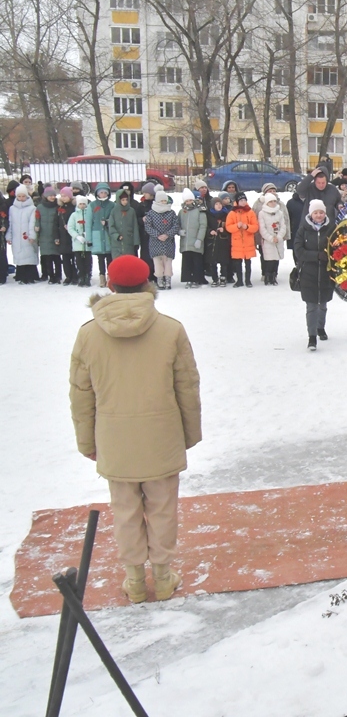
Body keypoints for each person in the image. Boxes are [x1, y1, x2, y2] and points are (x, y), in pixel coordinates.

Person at [69, 254, 201, 602]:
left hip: (114, 437)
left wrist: (87, 442)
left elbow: (82, 395)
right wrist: (188, 435)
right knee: (162, 507)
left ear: (109, 285)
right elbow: (186, 386)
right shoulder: (170, 329)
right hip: (162, 434)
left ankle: (136, 582)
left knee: (125, 510)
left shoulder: (88, 335)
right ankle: (163, 576)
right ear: (148, 285)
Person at [294, 200, 336, 350]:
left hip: (326, 273)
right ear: (311, 214)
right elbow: (298, 251)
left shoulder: (331, 228)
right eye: (316, 212)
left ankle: (320, 328)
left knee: (323, 304)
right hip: (308, 273)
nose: (319, 215)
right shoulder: (303, 230)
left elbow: (337, 247)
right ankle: (312, 337)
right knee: (311, 306)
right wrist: (317, 256)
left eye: (321, 212)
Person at [143, 190, 180, 290]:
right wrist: (158, 235)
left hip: (168, 242)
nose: (164, 202)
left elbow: (176, 225)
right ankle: (160, 280)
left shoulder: (171, 213)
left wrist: (167, 235)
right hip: (155, 242)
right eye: (161, 201)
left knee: (168, 263)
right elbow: (148, 227)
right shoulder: (151, 213)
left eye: (165, 200)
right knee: (157, 263)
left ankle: (167, 280)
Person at [257, 192, 291, 285]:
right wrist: (270, 238)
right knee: (269, 259)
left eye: (274, 201)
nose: (273, 203)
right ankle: (267, 276)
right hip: (268, 240)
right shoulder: (262, 213)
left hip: (278, 239)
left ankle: (274, 276)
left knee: (276, 258)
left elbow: (283, 226)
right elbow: (262, 228)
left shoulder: (279, 212)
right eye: (270, 201)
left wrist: (279, 236)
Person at [225, 192, 259, 287]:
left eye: (245, 200)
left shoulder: (250, 212)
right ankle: (239, 280)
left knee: (248, 263)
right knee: (238, 263)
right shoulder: (232, 213)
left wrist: (247, 226)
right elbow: (228, 227)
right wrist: (236, 226)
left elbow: (255, 227)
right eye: (241, 200)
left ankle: (248, 280)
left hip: (248, 242)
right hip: (237, 242)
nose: (243, 202)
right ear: (237, 202)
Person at [7, 185, 39, 283]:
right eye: (19, 196)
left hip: (27, 236)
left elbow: (32, 223)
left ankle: (30, 276)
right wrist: (9, 235)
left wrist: (32, 235)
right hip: (17, 237)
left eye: (23, 196)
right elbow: (10, 223)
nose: (21, 198)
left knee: (29, 254)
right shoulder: (12, 209)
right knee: (19, 255)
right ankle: (21, 275)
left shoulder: (32, 208)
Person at [178, 191, 208, 288]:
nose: (189, 202)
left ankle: (197, 279)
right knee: (187, 261)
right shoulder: (182, 212)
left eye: (191, 200)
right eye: (187, 201)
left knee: (197, 261)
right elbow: (177, 223)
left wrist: (199, 239)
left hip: (196, 241)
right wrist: (179, 231)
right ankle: (188, 279)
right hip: (186, 242)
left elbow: (203, 226)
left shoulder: (199, 210)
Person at [35, 186, 62, 283]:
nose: (52, 197)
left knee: (56, 257)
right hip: (44, 235)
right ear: (45, 196)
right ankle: (50, 276)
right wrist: (37, 226)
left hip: (54, 234)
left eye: (54, 195)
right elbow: (37, 218)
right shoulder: (40, 207)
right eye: (50, 195)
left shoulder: (58, 206)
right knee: (47, 257)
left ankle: (58, 276)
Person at [206, 194, 233, 287]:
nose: (219, 206)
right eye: (216, 204)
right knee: (212, 262)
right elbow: (205, 227)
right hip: (212, 242)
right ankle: (214, 278)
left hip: (223, 242)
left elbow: (230, 228)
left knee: (223, 261)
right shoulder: (209, 215)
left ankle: (223, 277)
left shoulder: (226, 215)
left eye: (220, 204)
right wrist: (210, 231)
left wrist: (224, 230)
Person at [89, 183, 113, 287]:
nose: (103, 194)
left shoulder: (112, 205)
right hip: (97, 235)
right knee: (100, 258)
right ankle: (101, 276)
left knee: (109, 258)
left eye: (105, 192)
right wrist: (89, 239)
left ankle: (110, 277)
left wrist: (107, 222)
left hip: (108, 235)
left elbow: (114, 219)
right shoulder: (92, 205)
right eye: (101, 192)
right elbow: (89, 222)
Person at [66, 196, 93, 287]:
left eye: (84, 204)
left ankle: (87, 276)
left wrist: (88, 234)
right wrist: (76, 236)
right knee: (79, 261)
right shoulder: (74, 215)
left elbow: (92, 225)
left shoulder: (89, 214)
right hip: (78, 243)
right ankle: (81, 276)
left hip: (87, 243)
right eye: (80, 204)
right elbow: (70, 227)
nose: (82, 206)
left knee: (88, 261)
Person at [107, 188, 140, 261]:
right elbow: (111, 226)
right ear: (119, 200)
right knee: (118, 261)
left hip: (129, 241)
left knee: (128, 261)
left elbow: (135, 227)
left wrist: (136, 242)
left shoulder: (131, 211)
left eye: (126, 199)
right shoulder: (114, 211)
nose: (125, 202)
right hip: (117, 243)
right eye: (123, 200)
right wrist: (116, 236)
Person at [56, 187, 78, 285]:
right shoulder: (60, 208)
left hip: (72, 236)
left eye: (65, 196)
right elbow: (56, 223)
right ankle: (68, 276)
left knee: (74, 257)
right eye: (62, 196)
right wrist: (57, 236)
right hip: (63, 236)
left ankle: (75, 275)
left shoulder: (73, 207)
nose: (63, 198)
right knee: (65, 258)